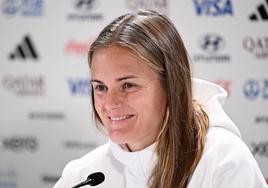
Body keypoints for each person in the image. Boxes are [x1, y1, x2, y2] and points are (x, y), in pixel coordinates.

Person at [54, 10, 267, 188]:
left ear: (172, 86)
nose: (110, 103)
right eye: (100, 87)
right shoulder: (82, 176)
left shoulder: (224, 161)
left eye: (128, 85)